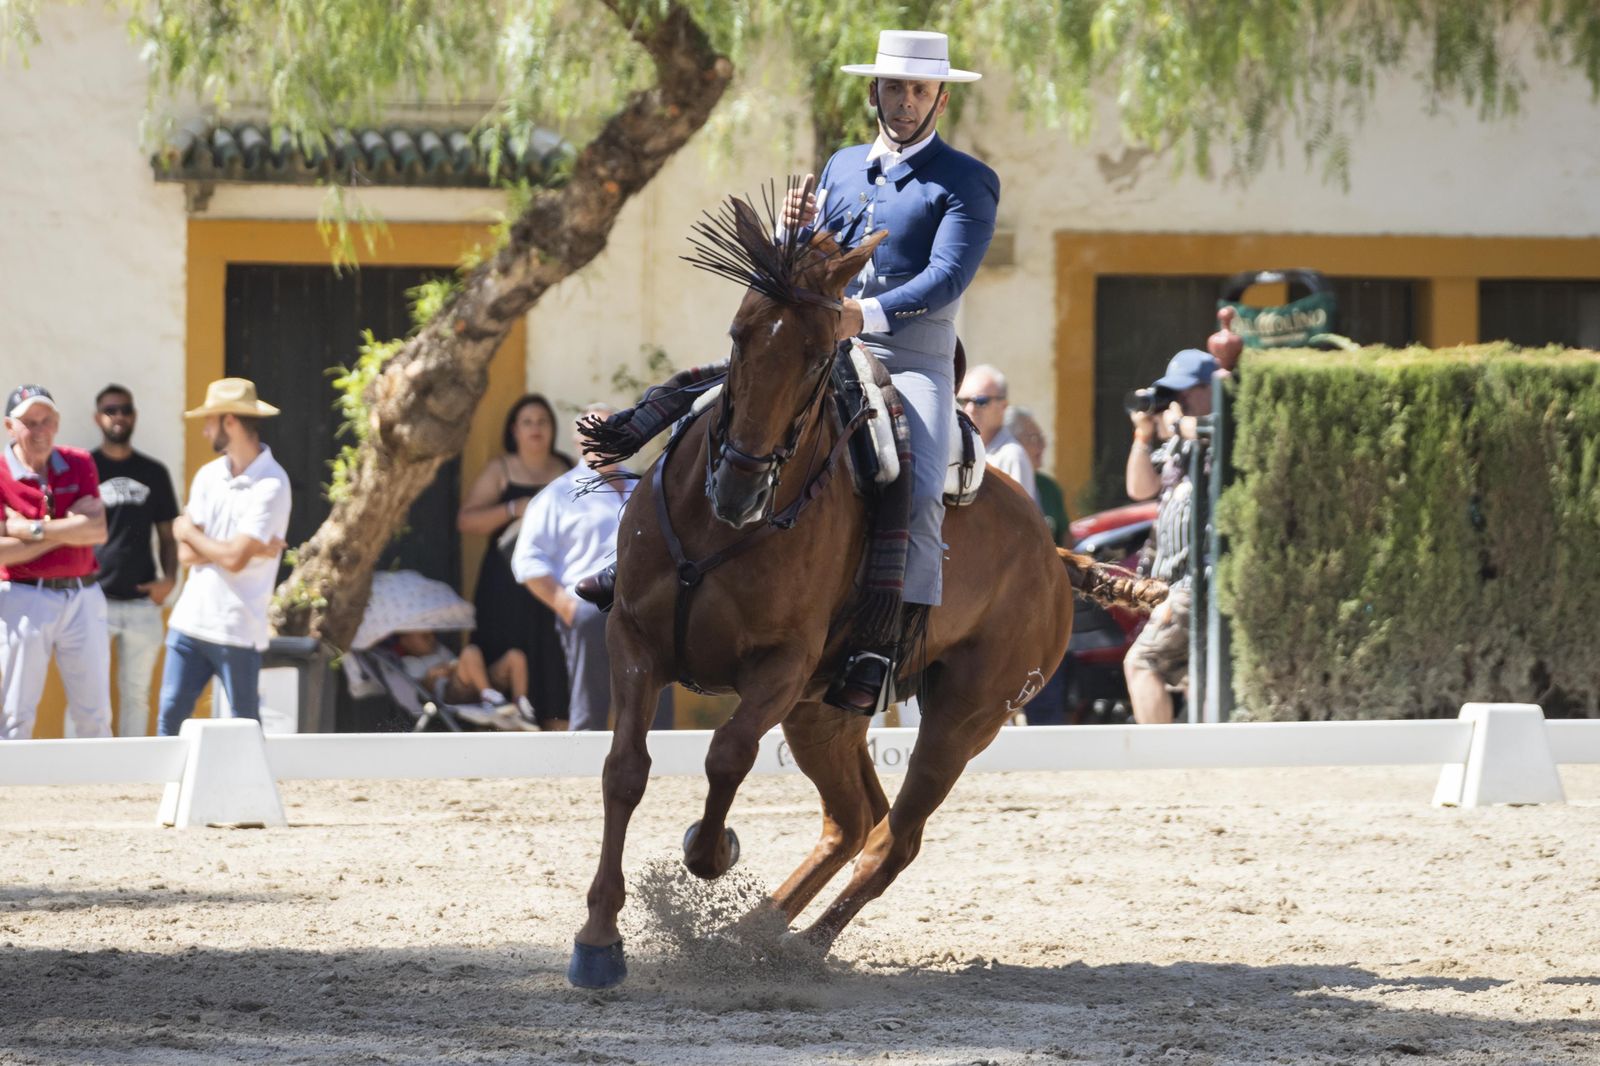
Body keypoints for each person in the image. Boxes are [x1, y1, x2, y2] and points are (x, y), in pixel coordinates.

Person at [784, 28, 1000, 712]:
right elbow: (817, 260)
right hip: (827, 346)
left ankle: (887, 642)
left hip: (913, 359)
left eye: (918, 89)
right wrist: (795, 234)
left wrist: (862, 315)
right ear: (874, 91)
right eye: (894, 88)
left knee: (920, 475)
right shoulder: (842, 166)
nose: (905, 102)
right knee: (731, 409)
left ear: (940, 97)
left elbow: (945, 277)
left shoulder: (968, 181)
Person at [513, 405, 673, 732]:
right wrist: (567, 606)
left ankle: (659, 753)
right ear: (578, 440)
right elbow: (528, 560)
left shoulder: (644, 488)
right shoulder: (557, 495)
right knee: (593, 700)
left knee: (656, 689)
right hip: (588, 607)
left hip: (644, 603)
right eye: (594, 431)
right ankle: (584, 755)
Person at [157, 378, 291, 736]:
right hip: (190, 621)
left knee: (245, 727)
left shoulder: (273, 483)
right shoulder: (208, 475)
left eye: (209, 420)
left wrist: (191, 533)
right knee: (169, 717)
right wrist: (240, 548)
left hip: (238, 626)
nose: (204, 431)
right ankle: (170, 793)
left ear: (229, 421)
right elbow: (188, 555)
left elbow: (226, 556)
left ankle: (252, 793)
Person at [0, 385, 111, 739]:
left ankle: (104, 794)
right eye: (29, 422)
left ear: (57, 423)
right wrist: (65, 531)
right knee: (14, 716)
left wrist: (27, 529)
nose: (39, 430)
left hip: (83, 593)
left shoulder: (79, 461)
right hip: (22, 596)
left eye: (46, 420)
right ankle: (9, 793)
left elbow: (96, 531)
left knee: (95, 714)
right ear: (9, 426)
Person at [457, 394, 574, 730]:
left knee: (554, 657)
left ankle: (559, 733)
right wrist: (513, 508)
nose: (536, 428)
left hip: (554, 583)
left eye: (543, 422)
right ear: (514, 430)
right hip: (504, 586)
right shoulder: (501, 469)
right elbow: (466, 521)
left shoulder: (567, 469)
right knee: (509, 648)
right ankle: (505, 722)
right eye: (527, 422)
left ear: (552, 430)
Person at [1123, 349, 1216, 725]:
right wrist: (1143, 436)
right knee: (1193, 674)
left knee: (1142, 662)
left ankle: (1159, 766)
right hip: (1173, 583)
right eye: (1173, 394)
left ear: (1211, 389)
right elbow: (1139, 487)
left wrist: (1180, 425)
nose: (1179, 402)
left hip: (1198, 582)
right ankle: (1199, 761)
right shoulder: (1178, 442)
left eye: (1187, 392)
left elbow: (1219, 430)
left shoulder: (1218, 428)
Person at [90, 384, 180, 737]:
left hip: (143, 602)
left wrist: (170, 580)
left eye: (125, 409)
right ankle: (78, 774)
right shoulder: (86, 468)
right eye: (111, 410)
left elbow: (169, 536)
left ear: (135, 415)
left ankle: (130, 779)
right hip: (94, 600)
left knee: (137, 696)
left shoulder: (154, 472)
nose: (119, 416)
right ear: (98, 417)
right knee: (89, 697)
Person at [390, 630, 537, 729]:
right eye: (424, 636)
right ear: (405, 641)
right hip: (450, 695)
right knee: (470, 651)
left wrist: (453, 667)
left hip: (473, 683)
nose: (432, 638)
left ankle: (520, 705)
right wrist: (432, 676)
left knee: (515, 656)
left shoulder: (440, 650)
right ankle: (489, 697)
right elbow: (420, 693)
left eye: (432, 634)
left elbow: (460, 665)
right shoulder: (409, 662)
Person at [959, 364, 1038, 504]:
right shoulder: (957, 449)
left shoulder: (1012, 456)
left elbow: (1018, 519)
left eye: (981, 401)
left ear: (1003, 406)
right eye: (963, 401)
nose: (970, 408)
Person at [1006, 405, 1069, 546]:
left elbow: (1066, 539)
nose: (1042, 445)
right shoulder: (1001, 486)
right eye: (1033, 438)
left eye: (1041, 437)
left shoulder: (1049, 487)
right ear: (1012, 444)